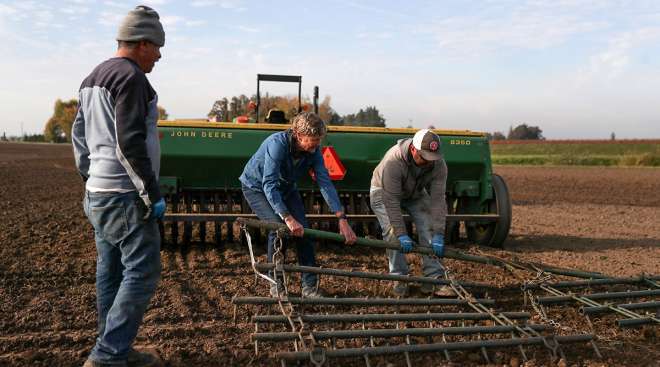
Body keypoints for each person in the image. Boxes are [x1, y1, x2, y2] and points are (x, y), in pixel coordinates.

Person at [72, 5, 166, 367]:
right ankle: (109, 354)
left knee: (110, 271)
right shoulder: (131, 79)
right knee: (143, 272)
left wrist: (90, 179)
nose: (159, 55)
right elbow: (130, 142)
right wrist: (151, 194)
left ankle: (113, 348)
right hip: (125, 195)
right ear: (142, 42)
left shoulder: (92, 77)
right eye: (157, 46)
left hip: (99, 193)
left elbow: (79, 139)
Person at [240, 112, 357, 297]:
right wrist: (287, 217)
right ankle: (275, 283)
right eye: (313, 140)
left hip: (286, 188)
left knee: (305, 232)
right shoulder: (277, 144)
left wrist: (341, 218)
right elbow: (268, 184)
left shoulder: (314, 152)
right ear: (298, 135)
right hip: (257, 188)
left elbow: (324, 182)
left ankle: (309, 287)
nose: (316, 144)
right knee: (278, 229)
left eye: (319, 140)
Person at [370, 129, 452, 297]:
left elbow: (437, 199)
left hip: (414, 192)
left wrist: (438, 233)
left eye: (432, 157)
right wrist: (401, 234)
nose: (429, 162)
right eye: (424, 157)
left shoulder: (438, 163)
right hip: (383, 192)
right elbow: (391, 201)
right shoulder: (394, 160)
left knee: (428, 225)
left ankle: (434, 279)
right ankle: (399, 279)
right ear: (413, 149)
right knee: (392, 233)